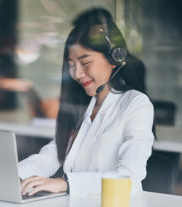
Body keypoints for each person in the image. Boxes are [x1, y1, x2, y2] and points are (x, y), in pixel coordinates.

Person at [18, 7, 154, 196]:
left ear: (114, 58)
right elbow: (52, 155)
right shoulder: (82, 105)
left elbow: (129, 176)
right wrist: (15, 175)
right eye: (71, 65)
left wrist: (66, 184)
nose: (77, 74)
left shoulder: (136, 104)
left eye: (85, 62)